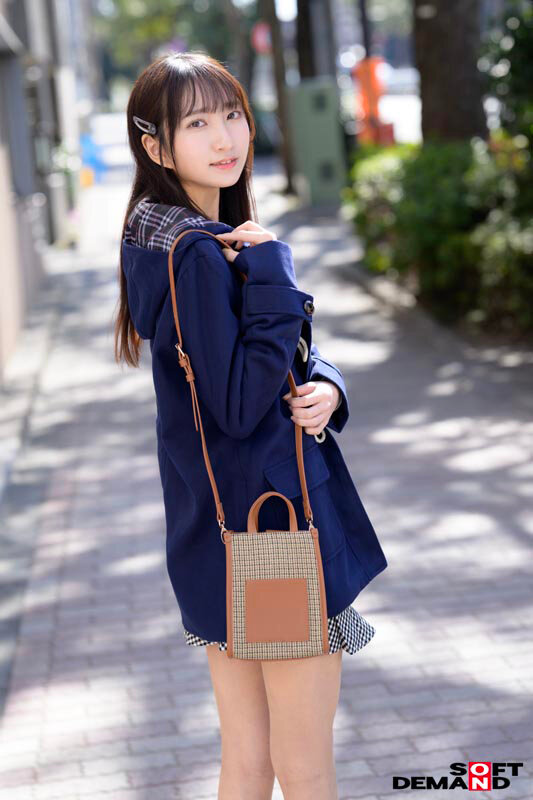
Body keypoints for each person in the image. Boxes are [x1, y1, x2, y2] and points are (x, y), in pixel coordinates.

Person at [114, 51, 387, 800]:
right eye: (196, 123)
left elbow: (264, 367)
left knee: (247, 760)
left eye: (231, 114)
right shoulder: (202, 256)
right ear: (156, 148)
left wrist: (327, 384)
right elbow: (239, 405)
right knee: (305, 766)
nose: (224, 137)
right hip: (274, 539)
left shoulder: (166, 238)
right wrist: (274, 271)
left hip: (217, 536)